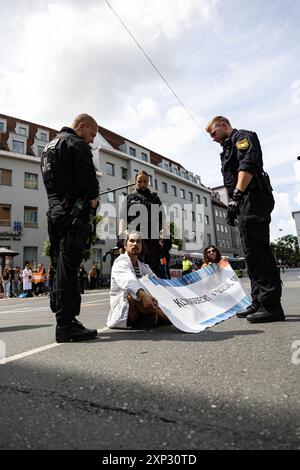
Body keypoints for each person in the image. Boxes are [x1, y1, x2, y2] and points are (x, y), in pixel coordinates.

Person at [206, 116, 284, 323]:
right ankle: (258, 301)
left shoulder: (243, 137)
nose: (213, 138)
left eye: (213, 133)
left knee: (259, 252)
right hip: (244, 202)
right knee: (250, 254)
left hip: (254, 197)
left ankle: (272, 305)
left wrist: (237, 195)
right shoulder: (227, 147)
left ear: (223, 125)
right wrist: (235, 204)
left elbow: (247, 166)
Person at [41, 113, 100, 342]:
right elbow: (89, 182)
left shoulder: (49, 146)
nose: (92, 140)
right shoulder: (76, 144)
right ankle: (67, 324)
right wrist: (93, 199)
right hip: (72, 215)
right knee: (70, 266)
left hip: (53, 213)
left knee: (59, 263)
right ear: (82, 126)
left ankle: (60, 310)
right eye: (92, 134)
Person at [107, 231, 170, 329]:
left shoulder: (143, 266)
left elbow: (156, 282)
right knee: (133, 295)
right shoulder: (120, 263)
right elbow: (129, 281)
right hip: (126, 310)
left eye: (138, 242)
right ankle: (169, 319)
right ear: (125, 245)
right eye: (132, 241)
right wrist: (144, 296)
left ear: (141, 247)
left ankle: (152, 318)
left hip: (142, 306)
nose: (135, 244)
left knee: (157, 293)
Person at [119, 170, 164, 276]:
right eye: (140, 181)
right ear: (135, 182)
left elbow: (163, 220)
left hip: (152, 240)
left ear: (148, 182)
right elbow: (122, 219)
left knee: (153, 269)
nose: (142, 184)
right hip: (135, 239)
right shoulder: (129, 198)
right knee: (135, 269)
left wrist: (165, 239)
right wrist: (121, 237)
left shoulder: (154, 199)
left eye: (145, 181)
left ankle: (152, 292)